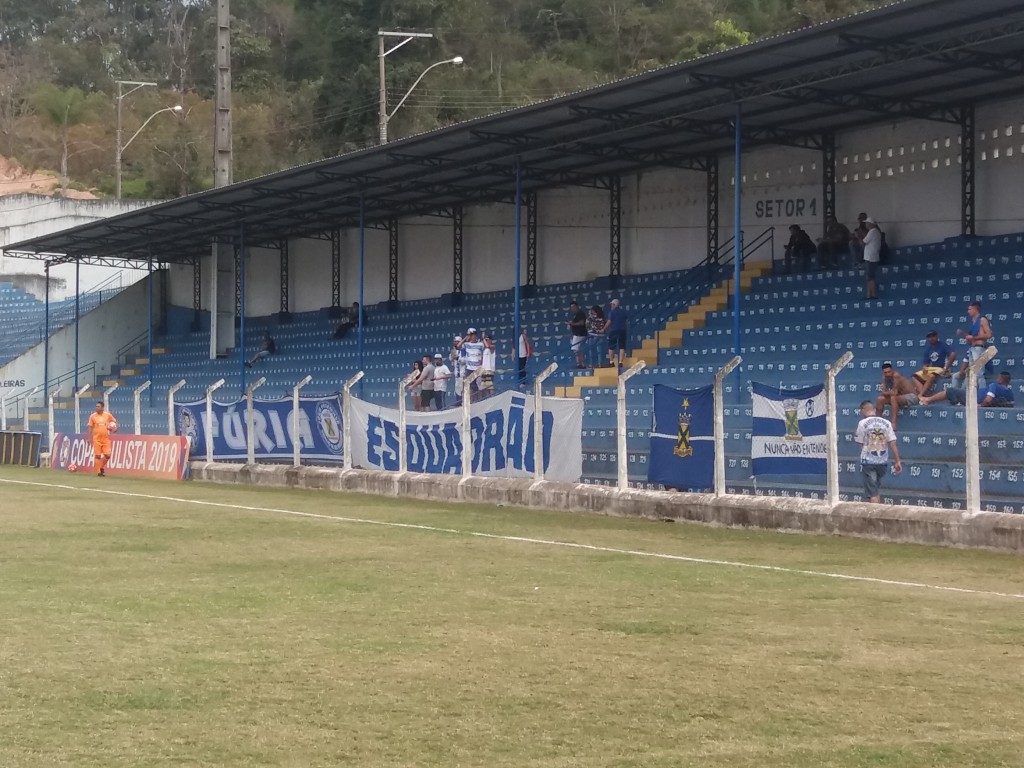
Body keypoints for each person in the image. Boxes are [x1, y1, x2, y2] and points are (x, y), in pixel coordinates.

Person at [854, 400, 902, 504]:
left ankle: (873, 518)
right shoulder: (887, 423)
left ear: (863, 410)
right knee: (875, 491)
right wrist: (897, 461)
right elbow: (893, 443)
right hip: (883, 462)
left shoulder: (862, 423)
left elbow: (860, 443)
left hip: (868, 462)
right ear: (874, 410)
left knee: (872, 493)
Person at [951, 301, 993, 390]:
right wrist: (963, 334)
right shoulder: (974, 322)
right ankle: (966, 394)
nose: (968, 311)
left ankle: (982, 394)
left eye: (969, 309)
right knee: (971, 373)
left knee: (979, 373)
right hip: (973, 349)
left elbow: (989, 335)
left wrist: (973, 337)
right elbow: (971, 338)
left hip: (979, 349)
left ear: (975, 309)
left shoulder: (982, 320)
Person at [921, 371, 1014, 407]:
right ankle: (956, 402)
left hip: (973, 398)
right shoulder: (1010, 392)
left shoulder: (995, 385)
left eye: (998, 378)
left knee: (950, 390)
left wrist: (980, 405)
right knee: (953, 392)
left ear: (1001, 379)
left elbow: (988, 399)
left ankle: (928, 400)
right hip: (974, 397)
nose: (997, 379)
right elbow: (1010, 404)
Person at [875, 362, 918, 431]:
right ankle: (877, 422)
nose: (887, 374)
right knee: (880, 399)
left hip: (912, 397)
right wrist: (886, 391)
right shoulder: (884, 377)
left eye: (889, 372)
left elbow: (894, 393)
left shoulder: (896, 375)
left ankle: (893, 423)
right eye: (885, 373)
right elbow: (883, 392)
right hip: (900, 397)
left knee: (893, 398)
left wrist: (886, 393)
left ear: (892, 370)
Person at [913, 330, 956, 397]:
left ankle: (921, 395)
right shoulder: (928, 349)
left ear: (937, 336)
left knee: (931, 376)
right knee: (915, 376)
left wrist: (946, 368)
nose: (931, 338)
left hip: (942, 368)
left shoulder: (943, 345)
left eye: (933, 336)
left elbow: (953, 354)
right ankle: (924, 396)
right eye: (929, 337)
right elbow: (926, 364)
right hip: (933, 369)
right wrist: (924, 368)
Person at [87, 401, 118, 478]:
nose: (96, 408)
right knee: (97, 456)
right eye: (96, 406)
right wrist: (88, 437)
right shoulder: (92, 416)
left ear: (102, 407)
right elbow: (90, 427)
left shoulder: (107, 415)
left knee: (108, 455)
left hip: (105, 439)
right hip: (96, 439)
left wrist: (115, 428)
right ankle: (98, 472)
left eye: (98, 406)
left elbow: (114, 422)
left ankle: (101, 467)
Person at [856, 216, 882, 299]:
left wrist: (858, 236)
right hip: (874, 257)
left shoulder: (872, 232)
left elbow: (863, 242)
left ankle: (872, 294)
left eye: (867, 223)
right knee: (870, 276)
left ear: (870, 224)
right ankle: (869, 294)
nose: (866, 224)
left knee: (869, 277)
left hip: (870, 257)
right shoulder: (877, 232)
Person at [603, 298, 628, 369]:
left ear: (614, 305)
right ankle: (620, 362)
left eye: (612, 304)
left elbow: (609, 321)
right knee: (622, 346)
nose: (611, 306)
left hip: (613, 330)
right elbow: (626, 321)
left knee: (611, 346)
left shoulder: (612, 312)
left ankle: (611, 362)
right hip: (622, 330)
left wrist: (604, 329)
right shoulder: (623, 312)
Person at [566, 301, 588, 368]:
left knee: (576, 349)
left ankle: (580, 363)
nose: (572, 308)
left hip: (580, 334)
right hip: (576, 334)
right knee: (577, 349)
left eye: (573, 307)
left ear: (576, 306)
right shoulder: (575, 315)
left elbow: (582, 323)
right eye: (571, 307)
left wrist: (572, 324)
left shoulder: (580, 314)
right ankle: (579, 364)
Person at [586, 304, 606, 369]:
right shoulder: (602, 318)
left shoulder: (591, 318)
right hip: (600, 335)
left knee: (591, 351)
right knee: (599, 351)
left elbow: (588, 326)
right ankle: (600, 364)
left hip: (592, 336)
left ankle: (591, 364)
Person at [479, 333, 497, 397]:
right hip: (484, 370)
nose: (485, 341)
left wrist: (483, 339)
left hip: (489, 369)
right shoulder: (484, 350)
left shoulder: (492, 347)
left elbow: (488, 346)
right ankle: (488, 398)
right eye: (485, 340)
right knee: (485, 387)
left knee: (490, 385)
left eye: (487, 340)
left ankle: (492, 397)